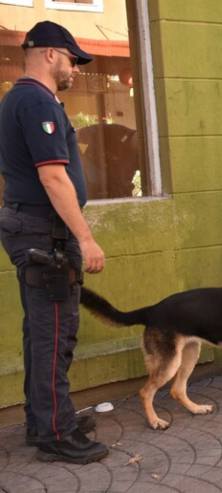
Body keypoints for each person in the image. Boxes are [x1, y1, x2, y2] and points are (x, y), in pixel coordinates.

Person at [0, 21, 108, 464]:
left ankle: (45, 418)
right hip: (44, 232)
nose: (76, 68)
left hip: (33, 228)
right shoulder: (34, 100)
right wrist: (86, 237)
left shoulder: (19, 99)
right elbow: (51, 175)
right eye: (71, 59)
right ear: (48, 54)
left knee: (41, 330)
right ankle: (56, 434)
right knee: (54, 333)